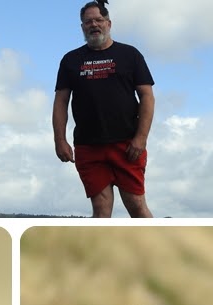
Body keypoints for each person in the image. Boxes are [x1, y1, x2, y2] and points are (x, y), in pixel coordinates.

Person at [53, 0, 155, 218]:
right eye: (88, 21)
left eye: (98, 20)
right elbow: (61, 101)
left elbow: (147, 96)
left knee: (136, 204)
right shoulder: (71, 60)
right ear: (82, 27)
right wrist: (59, 140)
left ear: (109, 23)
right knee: (100, 208)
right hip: (89, 146)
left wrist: (141, 137)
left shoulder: (130, 55)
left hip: (127, 144)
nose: (94, 25)